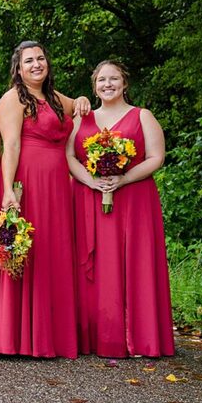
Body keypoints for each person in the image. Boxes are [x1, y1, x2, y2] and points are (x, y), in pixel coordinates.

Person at [67, 60, 175, 357]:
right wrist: (91, 181)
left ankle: (137, 337)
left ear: (124, 84)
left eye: (114, 79)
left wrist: (123, 178)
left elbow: (156, 157)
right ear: (94, 86)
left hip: (134, 199)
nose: (108, 84)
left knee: (133, 260)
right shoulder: (82, 118)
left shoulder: (142, 116)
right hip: (89, 199)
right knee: (95, 265)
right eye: (102, 80)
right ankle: (94, 336)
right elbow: (68, 156)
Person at [0, 40, 90, 359]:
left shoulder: (55, 98)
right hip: (26, 181)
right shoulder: (12, 99)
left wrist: (85, 99)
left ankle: (53, 336)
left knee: (54, 251)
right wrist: (7, 189)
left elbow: (80, 106)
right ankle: (18, 337)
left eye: (41, 58)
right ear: (18, 68)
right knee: (26, 250)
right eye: (29, 61)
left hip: (58, 185)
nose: (36, 64)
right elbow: (12, 146)